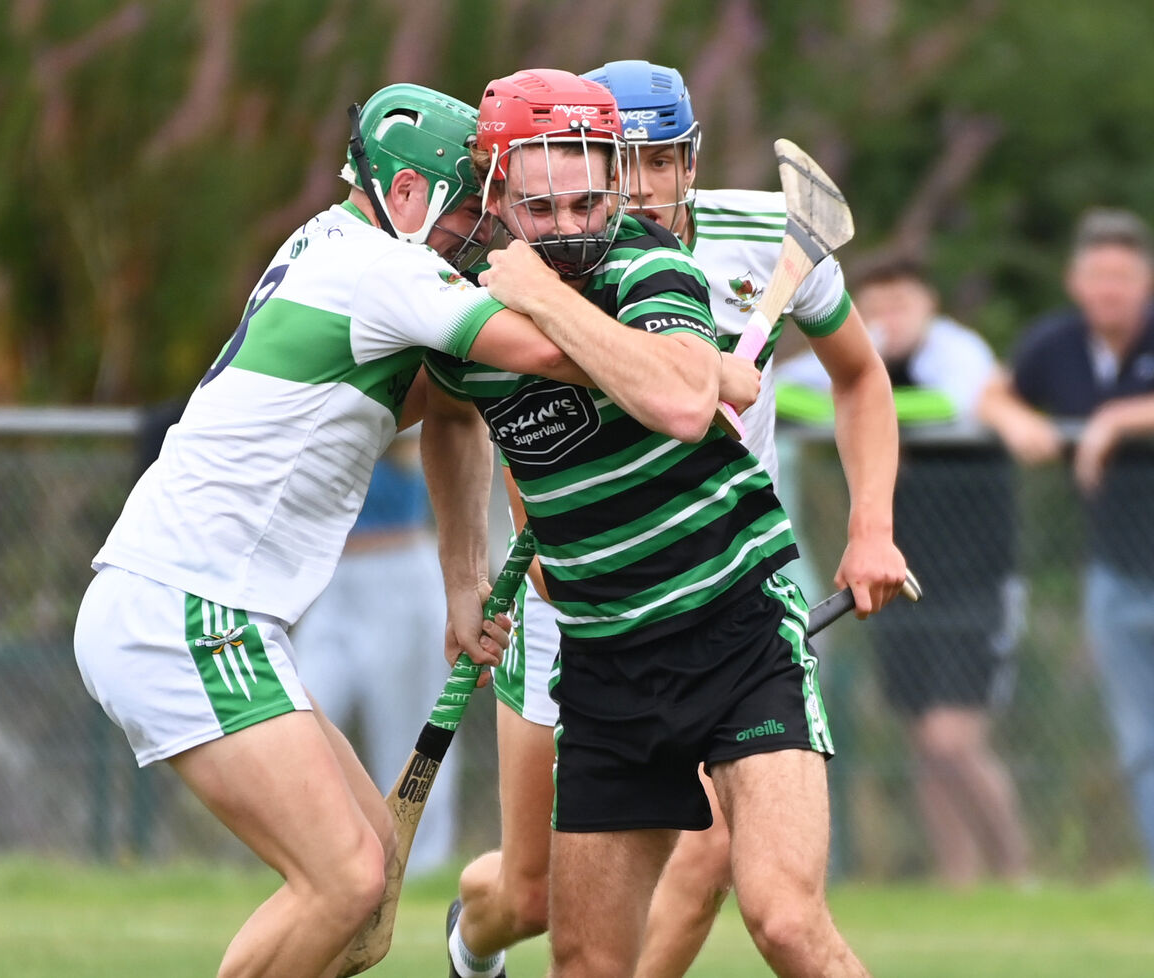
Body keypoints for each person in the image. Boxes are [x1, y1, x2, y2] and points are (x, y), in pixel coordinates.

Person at [71, 80, 696, 978]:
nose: (485, 231)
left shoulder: (340, 252)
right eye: (469, 206)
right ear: (405, 193)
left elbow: (452, 406)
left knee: (366, 889)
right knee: (347, 881)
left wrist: (461, 581)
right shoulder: (383, 270)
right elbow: (560, 358)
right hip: (186, 611)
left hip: (205, 610)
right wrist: (687, 350)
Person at [435, 67, 905, 978]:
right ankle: (470, 941)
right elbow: (453, 409)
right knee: (552, 925)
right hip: (593, 632)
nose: (585, 215)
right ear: (502, 195)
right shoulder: (461, 300)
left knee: (782, 915)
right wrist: (470, 571)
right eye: (545, 200)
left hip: (734, 614)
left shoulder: (659, 258)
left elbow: (695, 402)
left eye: (598, 188)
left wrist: (870, 524)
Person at [778, 256, 1032, 885]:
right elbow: (775, 385)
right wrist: (853, 382)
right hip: (896, 575)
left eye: (903, 306)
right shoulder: (857, 351)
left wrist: (864, 393)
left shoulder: (957, 351)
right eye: (877, 309)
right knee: (924, 741)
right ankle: (960, 883)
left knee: (954, 741)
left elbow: (950, 401)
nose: (888, 321)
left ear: (931, 307)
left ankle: (1020, 872)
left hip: (977, 578)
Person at [979, 207, 1154, 874]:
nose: (1110, 289)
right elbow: (991, 395)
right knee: (1140, 742)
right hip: (1115, 571)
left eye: (1124, 276)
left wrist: (1116, 420)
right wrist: (1015, 419)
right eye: (1098, 275)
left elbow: (1122, 417)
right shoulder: (1056, 344)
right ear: (1076, 282)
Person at [292, 429, 457, 877]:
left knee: (409, 738)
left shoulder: (394, 369)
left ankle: (418, 868)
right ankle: (319, 859)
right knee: (297, 709)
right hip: (328, 576)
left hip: (397, 569)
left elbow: (411, 448)